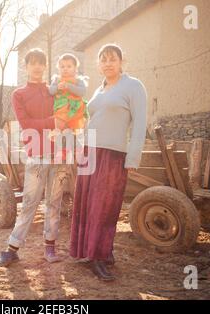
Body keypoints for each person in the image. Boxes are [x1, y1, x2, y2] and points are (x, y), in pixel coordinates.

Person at [69, 44, 147, 281]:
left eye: (112, 59)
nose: (107, 63)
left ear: (121, 61)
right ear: (98, 65)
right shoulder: (98, 90)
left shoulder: (133, 86)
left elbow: (140, 122)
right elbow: (89, 120)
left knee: (104, 207)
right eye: (103, 60)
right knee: (86, 205)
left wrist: (133, 156)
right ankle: (87, 253)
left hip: (113, 154)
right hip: (89, 152)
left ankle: (100, 257)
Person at [0, 48, 68, 267]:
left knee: (54, 203)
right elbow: (26, 125)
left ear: (45, 66)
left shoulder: (55, 91)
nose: (36, 67)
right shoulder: (19, 94)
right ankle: (12, 249)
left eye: (40, 63)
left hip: (58, 155)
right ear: (25, 67)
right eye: (32, 63)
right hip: (36, 155)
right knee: (29, 203)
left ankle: (50, 248)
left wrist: (60, 121)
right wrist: (52, 121)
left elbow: (68, 114)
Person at [49, 53, 89, 132]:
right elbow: (51, 91)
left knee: (76, 130)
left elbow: (82, 92)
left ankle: (75, 140)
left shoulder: (78, 81)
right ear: (58, 68)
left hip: (75, 109)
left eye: (69, 66)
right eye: (62, 67)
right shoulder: (57, 80)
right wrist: (57, 88)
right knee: (59, 129)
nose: (65, 69)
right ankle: (60, 140)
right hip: (61, 109)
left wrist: (69, 86)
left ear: (75, 68)